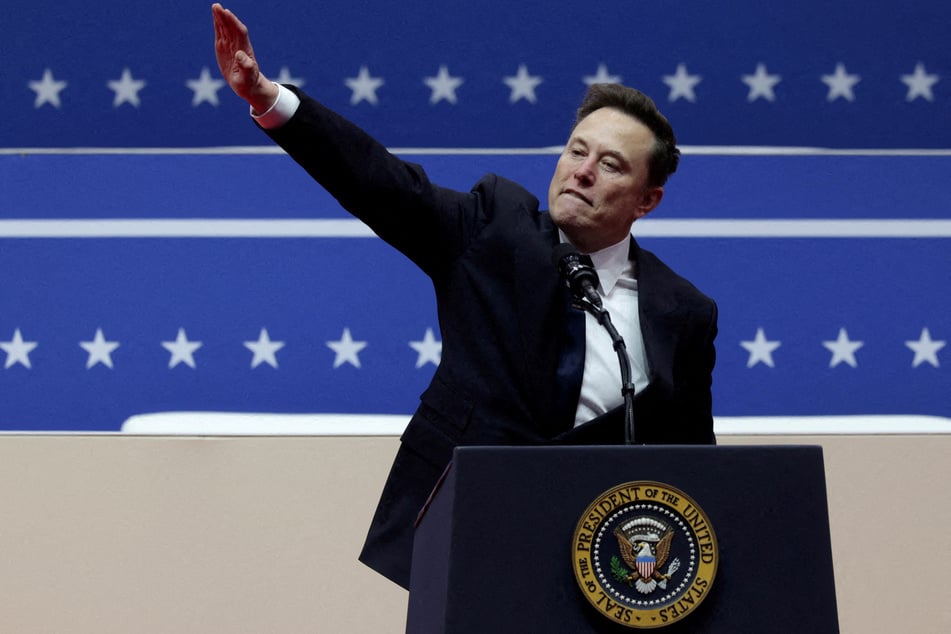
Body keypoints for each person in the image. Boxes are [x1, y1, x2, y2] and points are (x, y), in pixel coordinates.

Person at [212, 3, 717, 590]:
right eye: (576, 151)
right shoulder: (493, 227)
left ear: (646, 200)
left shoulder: (682, 311)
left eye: (609, 165)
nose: (582, 171)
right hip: (469, 528)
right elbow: (380, 182)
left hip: (605, 561)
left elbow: (693, 463)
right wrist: (269, 99)